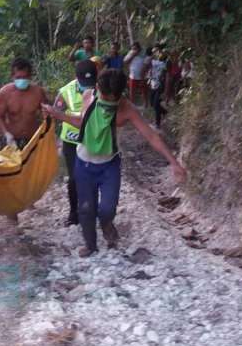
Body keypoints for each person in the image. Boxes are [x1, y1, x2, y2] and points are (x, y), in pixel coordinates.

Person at [41, 68, 188, 257]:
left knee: (107, 209)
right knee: (86, 209)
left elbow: (151, 136)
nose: (107, 103)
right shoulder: (88, 97)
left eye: (112, 100)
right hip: (84, 163)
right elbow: (83, 122)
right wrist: (59, 115)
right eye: (104, 97)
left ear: (119, 95)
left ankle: (107, 224)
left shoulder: (127, 109)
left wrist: (174, 163)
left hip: (109, 166)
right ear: (97, 88)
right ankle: (91, 245)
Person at [54, 59, 98, 226]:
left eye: (90, 82)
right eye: (84, 82)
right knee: (74, 178)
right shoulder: (65, 92)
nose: (87, 86)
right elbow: (56, 112)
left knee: (92, 176)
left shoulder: (102, 89)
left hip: (93, 141)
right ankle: (74, 213)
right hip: (71, 142)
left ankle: (92, 210)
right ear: (76, 77)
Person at [0, 58, 49, 150]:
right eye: (18, 77)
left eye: (25, 77)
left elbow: (47, 115)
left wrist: (47, 133)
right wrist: (6, 134)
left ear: (30, 76)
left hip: (33, 139)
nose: (22, 80)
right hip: (12, 139)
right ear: (12, 76)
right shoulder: (4, 93)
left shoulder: (38, 92)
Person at [123, 42, 149, 107]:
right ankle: (132, 105)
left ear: (139, 48)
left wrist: (146, 71)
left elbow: (147, 62)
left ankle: (145, 103)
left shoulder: (144, 53)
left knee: (144, 91)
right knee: (132, 92)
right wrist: (132, 55)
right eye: (133, 48)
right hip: (133, 76)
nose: (134, 50)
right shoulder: (130, 53)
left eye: (135, 48)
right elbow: (125, 61)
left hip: (142, 77)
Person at [148, 49, 169, 129]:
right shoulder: (153, 61)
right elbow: (148, 65)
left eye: (162, 53)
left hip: (160, 86)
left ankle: (157, 124)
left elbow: (166, 76)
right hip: (153, 85)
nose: (160, 54)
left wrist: (166, 89)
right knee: (152, 103)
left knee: (156, 104)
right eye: (158, 53)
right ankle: (165, 112)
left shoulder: (165, 64)